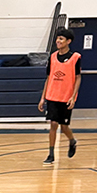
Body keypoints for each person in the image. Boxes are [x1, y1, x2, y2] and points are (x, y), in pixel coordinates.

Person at [38, 27, 80, 165]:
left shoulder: (75, 58)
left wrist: (73, 97)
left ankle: (72, 141)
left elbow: (78, 78)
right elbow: (49, 78)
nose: (58, 41)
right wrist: (43, 97)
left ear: (68, 41)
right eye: (58, 38)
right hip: (52, 96)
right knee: (53, 124)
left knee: (64, 126)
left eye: (61, 39)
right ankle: (51, 154)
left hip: (66, 97)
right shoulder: (52, 57)